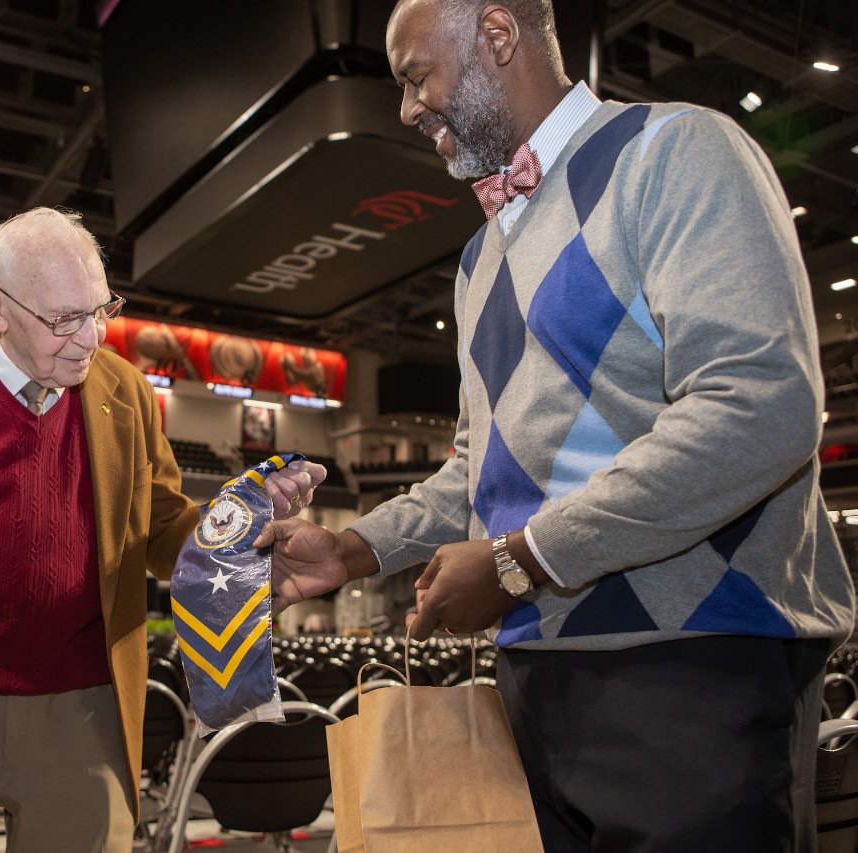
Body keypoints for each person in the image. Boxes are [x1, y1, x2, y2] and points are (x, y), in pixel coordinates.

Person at [255, 1, 856, 850]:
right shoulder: (477, 257)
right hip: (538, 673)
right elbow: (476, 468)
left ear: (498, 37)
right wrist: (357, 549)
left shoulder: (676, 149)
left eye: (415, 76)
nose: (406, 108)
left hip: (698, 657)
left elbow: (760, 405)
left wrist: (516, 560)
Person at [0, 207, 325, 853]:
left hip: (84, 709)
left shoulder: (125, 389)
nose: (91, 337)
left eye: (101, 310)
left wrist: (240, 520)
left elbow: (160, 529)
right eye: (64, 318)